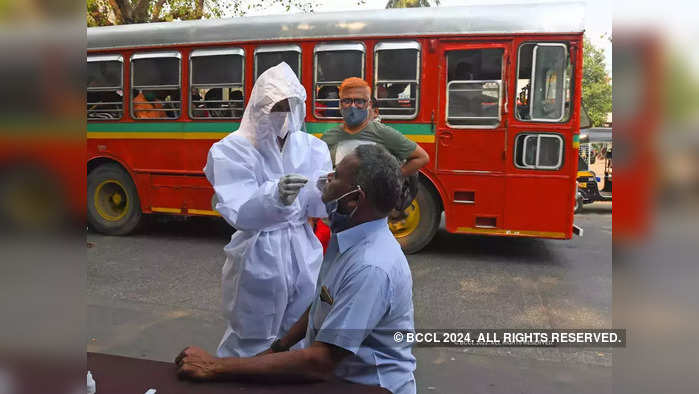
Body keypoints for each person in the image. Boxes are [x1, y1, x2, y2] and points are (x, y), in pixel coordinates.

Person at [176, 144, 416, 394]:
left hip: (369, 387)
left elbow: (320, 362)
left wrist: (215, 366)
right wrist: (278, 348)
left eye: (335, 177)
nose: (326, 180)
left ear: (355, 198)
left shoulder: (370, 267)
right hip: (341, 379)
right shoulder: (348, 239)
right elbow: (325, 300)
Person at [202, 62, 333, 358]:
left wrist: (324, 192)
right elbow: (240, 211)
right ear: (259, 108)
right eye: (276, 107)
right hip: (260, 253)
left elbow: (316, 208)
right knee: (252, 332)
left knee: (300, 330)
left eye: (291, 106)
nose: (284, 115)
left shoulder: (311, 148)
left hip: (303, 250)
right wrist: (274, 196)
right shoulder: (232, 149)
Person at [321, 77, 429, 211]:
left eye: (359, 101)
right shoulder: (329, 137)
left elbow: (422, 157)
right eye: (347, 101)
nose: (352, 106)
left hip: (372, 211)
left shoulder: (383, 133)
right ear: (340, 104)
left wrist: (391, 178)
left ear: (368, 104)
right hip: (338, 210)